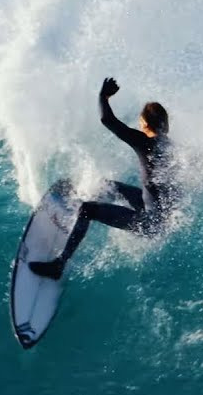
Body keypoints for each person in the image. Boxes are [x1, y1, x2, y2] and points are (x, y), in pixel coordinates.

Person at [29, 77, 176, 280]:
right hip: (157, 212)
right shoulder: (170, 146)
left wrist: (103, 97)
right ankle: (73, 204)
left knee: (88, 210)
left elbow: (107, 120)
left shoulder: (145, 142)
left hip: (150, 222)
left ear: (144, 123)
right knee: (109, 186)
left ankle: (58, 266)